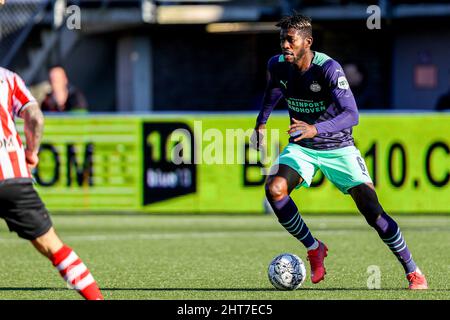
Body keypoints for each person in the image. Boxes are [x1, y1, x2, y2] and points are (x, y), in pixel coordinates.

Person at [251, 13, 427, 289]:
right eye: (282, 39)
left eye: (290, 40)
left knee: (372, 210)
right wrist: (261, 123)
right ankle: (314, 247)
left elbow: (352, 114)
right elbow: (275, 88)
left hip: (339, 147)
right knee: (274, 189)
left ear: (307, 42)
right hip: (303, 147)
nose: (284, 45)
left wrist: (315, 129)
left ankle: (412, 269)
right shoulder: (277, 64)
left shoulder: (328, 69)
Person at [0, 66, 103, 300]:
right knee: (52, 246)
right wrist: (32, 151)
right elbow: (35, 117)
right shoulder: (7, 78)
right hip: (12, 177)